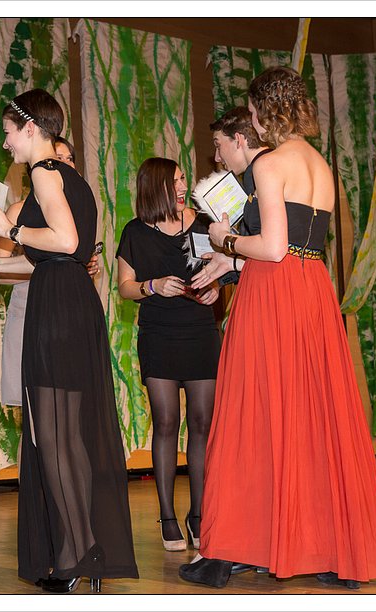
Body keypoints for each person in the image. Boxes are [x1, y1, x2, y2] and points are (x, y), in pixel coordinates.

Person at [180, 66, 376, 589]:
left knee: (249, 415)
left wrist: (224, 240)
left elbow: (273, 247)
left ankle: (227, 549)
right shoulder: (321, 164)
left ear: (262, 113)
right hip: (313, 291)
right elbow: (298, 244)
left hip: (273, 295)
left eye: (254, 111)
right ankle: (327, 551)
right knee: (314, 419)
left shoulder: (271, 163)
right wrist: (235, 260)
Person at [0, 89, 138, 593]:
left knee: (53, 439)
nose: (5, 142)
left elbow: (64, 242)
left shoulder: (45, 172)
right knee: (68, 438)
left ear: (30, 128)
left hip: (57, 309)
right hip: (72, 301)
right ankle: (86, 552)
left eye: (8, 131)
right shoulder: (73, 179)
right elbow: (63, 253)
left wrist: (10, 228)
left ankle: (73, 555)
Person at [115, 157, 221, 552]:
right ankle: (167, 516)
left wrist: (216, 290)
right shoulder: (135, 232)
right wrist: (153, 286)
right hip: (158, 334)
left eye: (183, 179)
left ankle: (198, 515)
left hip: (200, 332)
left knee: (202, 422)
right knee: (165, 422)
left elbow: (221, 272)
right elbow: (125, 286)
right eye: (175, 181)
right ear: (154, 187)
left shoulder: (204, 223)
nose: (182, 187)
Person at [0, 136, 89, 409]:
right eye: (58, 158)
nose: (65, 164)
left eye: (70, 159)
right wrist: (47, 266)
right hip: (30, 306)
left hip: (70, 310)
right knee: (36, 406)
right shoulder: (19, 211)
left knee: (71, 404)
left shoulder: (79, 206)